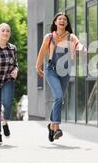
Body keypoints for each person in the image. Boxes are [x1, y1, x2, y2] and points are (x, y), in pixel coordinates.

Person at [36, 13, 86, 142]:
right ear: (55, 22)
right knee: (58, 96)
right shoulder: (49, 37)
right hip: (51, 70)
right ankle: (57, 127)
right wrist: (37, 67)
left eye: (65, 19)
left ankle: (51, 126)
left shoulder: (71, 37)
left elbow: (78, 44)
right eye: (60, 19)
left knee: (59, 99)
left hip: (65, 72)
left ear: (67, 23)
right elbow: (42, 52)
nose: (62, 21)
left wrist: (81, 48)